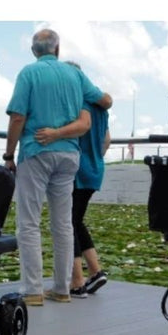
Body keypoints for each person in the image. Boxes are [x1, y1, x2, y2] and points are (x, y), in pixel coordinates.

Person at [3, 29, 112, 306]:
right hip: (68, 156)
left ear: (33, 51)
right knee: (63, 223)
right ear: (58, 49)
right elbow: (102, 100)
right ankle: (62, 288)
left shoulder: (28, 73)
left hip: (36, 151)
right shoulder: (75, 75)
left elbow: (18, 117)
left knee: (29, 223)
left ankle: (33, 290)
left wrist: (8, 154)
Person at [35, 61, 111, 299]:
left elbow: (76, 131)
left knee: (67, 223)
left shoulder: (76, 103)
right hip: (95, 168)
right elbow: (106, 141)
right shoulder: (100, 106)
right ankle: (96, 271)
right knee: (76, 221)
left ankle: (76, 282)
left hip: (76, 170)